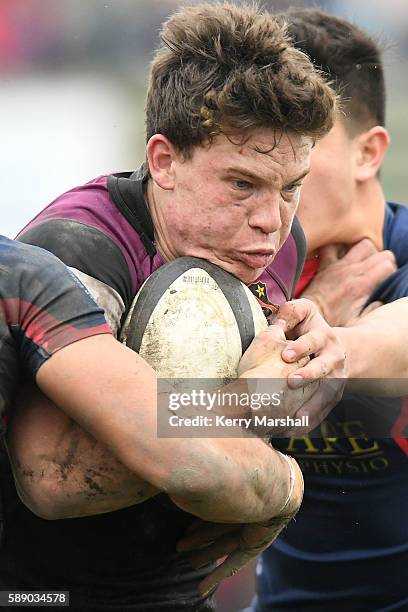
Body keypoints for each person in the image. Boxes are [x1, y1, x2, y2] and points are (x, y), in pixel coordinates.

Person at [0, 4, 347, 611]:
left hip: (181, 591)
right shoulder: (77, 252)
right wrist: (253, 408)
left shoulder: (276, 244)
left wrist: (311, 363)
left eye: (291, 187)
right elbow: (56, 477)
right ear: (163, 161)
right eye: (241, 184)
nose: (271, 220)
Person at [252, 8, 408, 611]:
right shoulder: (236, 279)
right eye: (260, 145)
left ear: (367, 153)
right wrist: (309, 313)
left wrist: (335, 344)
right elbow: (171, 417)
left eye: (302, 144)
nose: (277, 171)